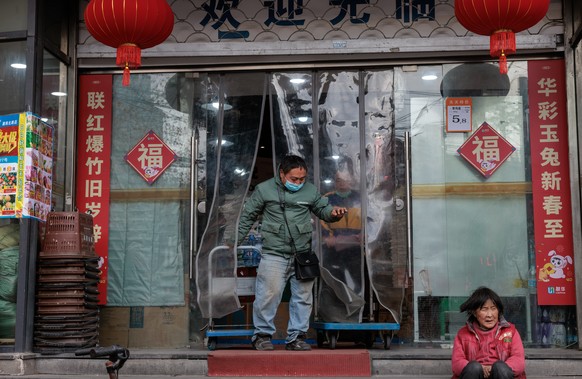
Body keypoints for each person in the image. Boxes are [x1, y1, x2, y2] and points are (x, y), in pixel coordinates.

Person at [238, 154, 347, 351]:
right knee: (268, 295)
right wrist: (231, 242)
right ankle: (262, 335)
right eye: (294, 179)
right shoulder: (264, 189)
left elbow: (323, 210)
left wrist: (333, 214)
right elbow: (247, 217)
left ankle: (296, 337)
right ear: (282, 174)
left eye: (302, 179)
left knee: (303, 298)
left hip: (302, 254)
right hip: (274, 253)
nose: (298, 183)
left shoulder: (310, 191)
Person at [318, 169, 365, 323]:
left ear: (351, 180)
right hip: (333, 252)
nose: (342, 182)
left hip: (356, 251)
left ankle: (357, 313)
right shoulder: (327, 199)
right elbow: (321, 222)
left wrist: (365, 234)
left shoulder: (361, 198)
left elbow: (371, 219)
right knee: (335, 282)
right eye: (338, 179)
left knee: (359, 282)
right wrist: (330, 238)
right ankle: (336, 316)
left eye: (345, 179)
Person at [451, 287, 526, 379]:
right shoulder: (462, 334)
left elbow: (518, 360)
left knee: (500, 368)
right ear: (474, 312)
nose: (489, 315)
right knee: (473, 368)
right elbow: (457, 362)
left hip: (501, 375)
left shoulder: (510, 331)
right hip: (475, 375)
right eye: (484, 309)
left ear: (498, 311)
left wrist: (494, 370)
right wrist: (481, 369)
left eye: (493, 308)